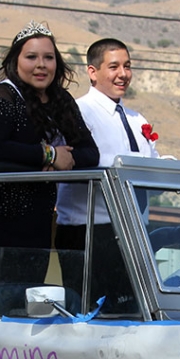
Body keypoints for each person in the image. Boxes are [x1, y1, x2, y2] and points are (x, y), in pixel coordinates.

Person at [0, 21, 99, 286]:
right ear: (15, 61)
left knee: (27, 297)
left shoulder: (61, 101)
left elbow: (91, 153)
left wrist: (65, 160)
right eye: (31, 57)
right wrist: (48, 155)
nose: (41, 64)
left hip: (40, 219)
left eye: (48, 57)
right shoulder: (2, 97)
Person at [54, 39, 159, 311]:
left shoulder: (138, 119)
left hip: (131, 231)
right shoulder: (77, 112)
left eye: (127, 66)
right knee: (91, 315)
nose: (122, 74)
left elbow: (152, 166)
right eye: (113, 66)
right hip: (87, 232)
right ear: (92, 72)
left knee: (131, 315)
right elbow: (74, 161)